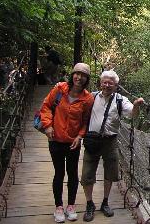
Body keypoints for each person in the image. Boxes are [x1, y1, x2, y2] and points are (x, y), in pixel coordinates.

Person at [81, 70, 144, 222]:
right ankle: (89, 204)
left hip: (110, 141)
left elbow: (133, 114)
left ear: (116, 85)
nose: (107, 85)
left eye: (111, 83)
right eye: (105, 82)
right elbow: (74, 100)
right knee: (87, 174)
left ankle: (105, 202)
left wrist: (136, 106)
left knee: (110, 173)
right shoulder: (91, 96)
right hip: (92, 140)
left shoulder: (121, 100)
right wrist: (59, 87)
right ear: (100, 83)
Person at [39, 63, 94, 223]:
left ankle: (71, 206)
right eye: (76, 73)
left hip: (72, 142)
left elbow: (85, 121)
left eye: (83, 75)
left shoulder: (87, 98)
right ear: (72, 75)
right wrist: (48, 125)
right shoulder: (60, 89)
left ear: (86, 79)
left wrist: (80, 136)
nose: (79, 77)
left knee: (72, 173)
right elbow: (46, 107)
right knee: (59, 173)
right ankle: (58, 207)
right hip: (55, 139)